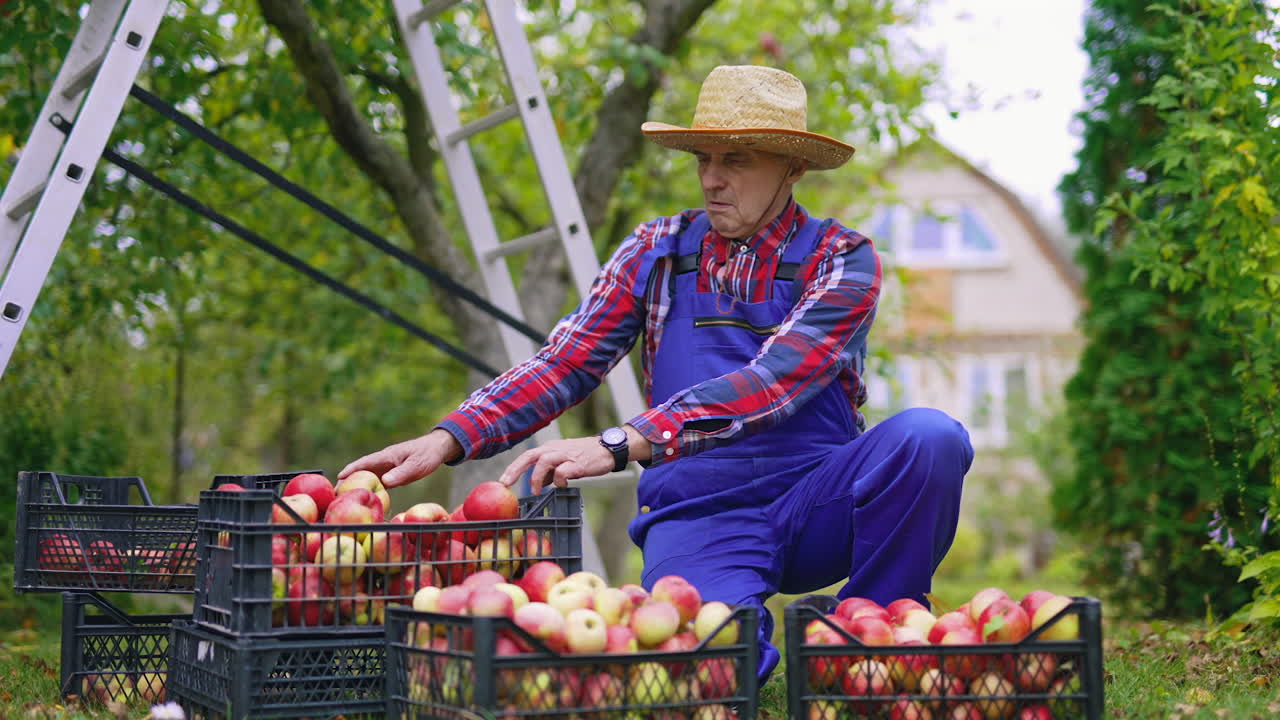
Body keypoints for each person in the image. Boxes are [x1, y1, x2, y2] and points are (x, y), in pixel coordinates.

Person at [340, 65, 973, 681]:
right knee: (718, 666)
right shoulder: (656, 250)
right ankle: (748, 639)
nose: (713, 179)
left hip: (817, 500)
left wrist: (620, 443)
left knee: (930, 438)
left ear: (793, 166)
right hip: (700, 516)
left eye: (737, 160)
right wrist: (450, 436)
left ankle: (868, 643)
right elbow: (566, 361)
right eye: (703, 159)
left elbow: (774, 381)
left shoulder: (842, 257)